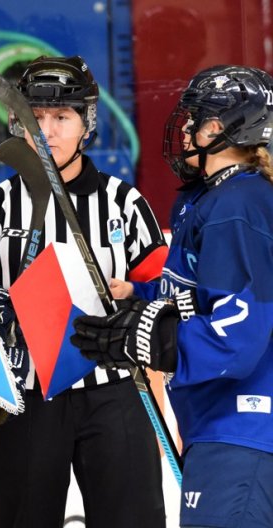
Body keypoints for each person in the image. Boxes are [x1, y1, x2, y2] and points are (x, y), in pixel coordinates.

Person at [0, 55, 168, 527]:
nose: (47, 131)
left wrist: (136, 291)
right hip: (25, 400)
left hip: (116, 392)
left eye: (61, 117)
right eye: (35, 118)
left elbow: (165, 292)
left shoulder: (125, 203)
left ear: (86, 123)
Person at [72, 65, 273, 528]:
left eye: (194, 120)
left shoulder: (237, 206)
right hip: (217, 430)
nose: (183, 129)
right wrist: (137, 297)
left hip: (243, 434)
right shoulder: (209, 200)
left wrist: (149, 338)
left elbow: (238, 336)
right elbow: (197, 294)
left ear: (221, 129)